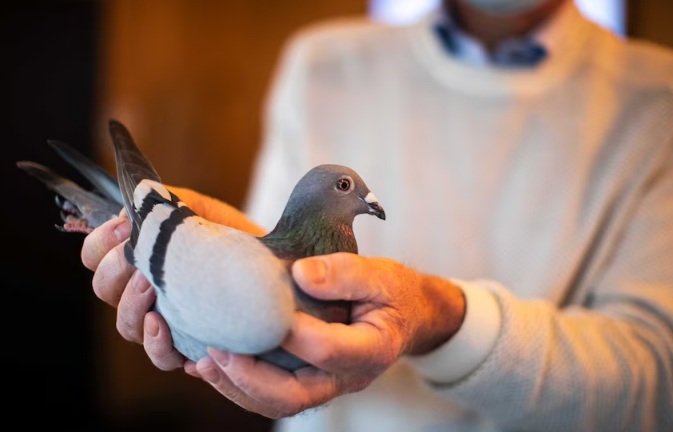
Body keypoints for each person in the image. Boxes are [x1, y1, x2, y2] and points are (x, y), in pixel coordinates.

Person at [82, 0, 673, 430]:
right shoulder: (321, 62)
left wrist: (442, 319)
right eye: (348, 189)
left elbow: (657, 383)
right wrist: (202, 273)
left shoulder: (657, 99)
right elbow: (260, 256)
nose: (365, 200)